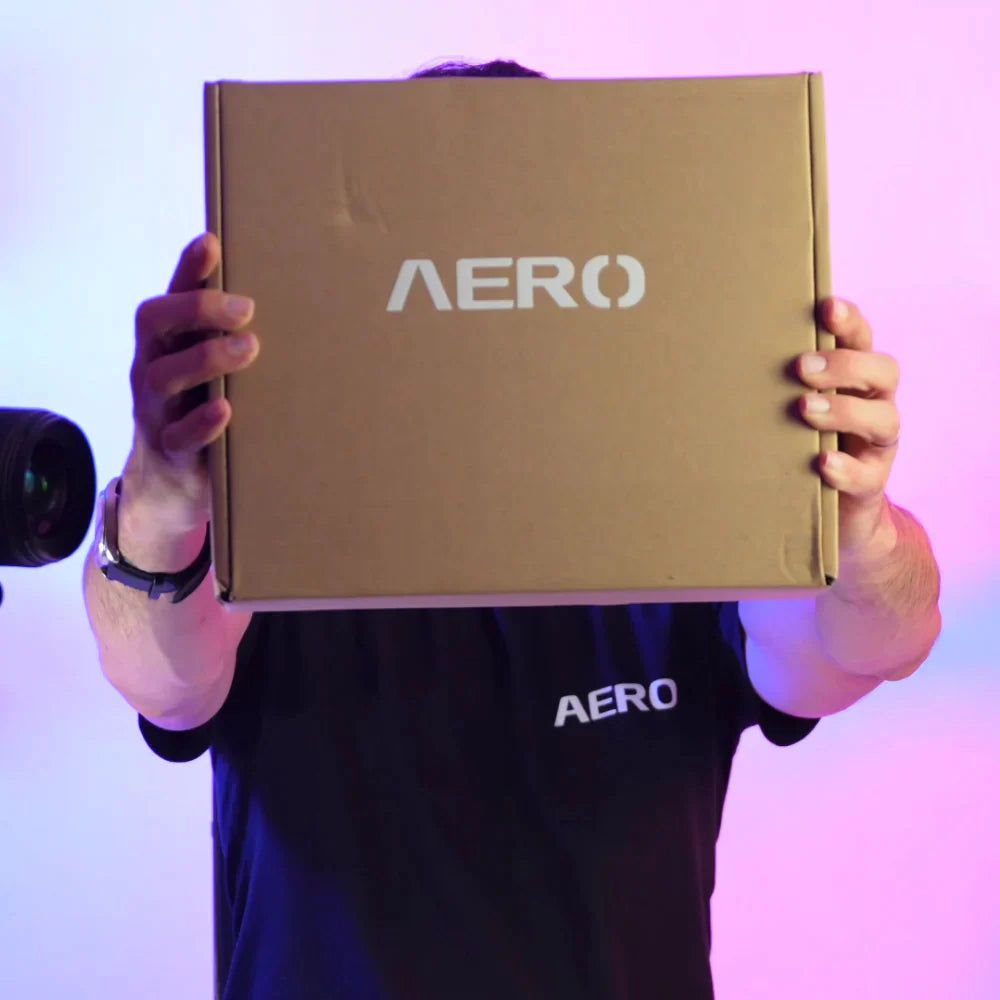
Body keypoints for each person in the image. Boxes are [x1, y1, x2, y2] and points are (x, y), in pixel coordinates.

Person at [83, 59, 941, 1000]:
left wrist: (855, 525)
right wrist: (161, 500)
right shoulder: (287, 517)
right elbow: (161, 679)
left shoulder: (679, 525)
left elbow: (867, 646)